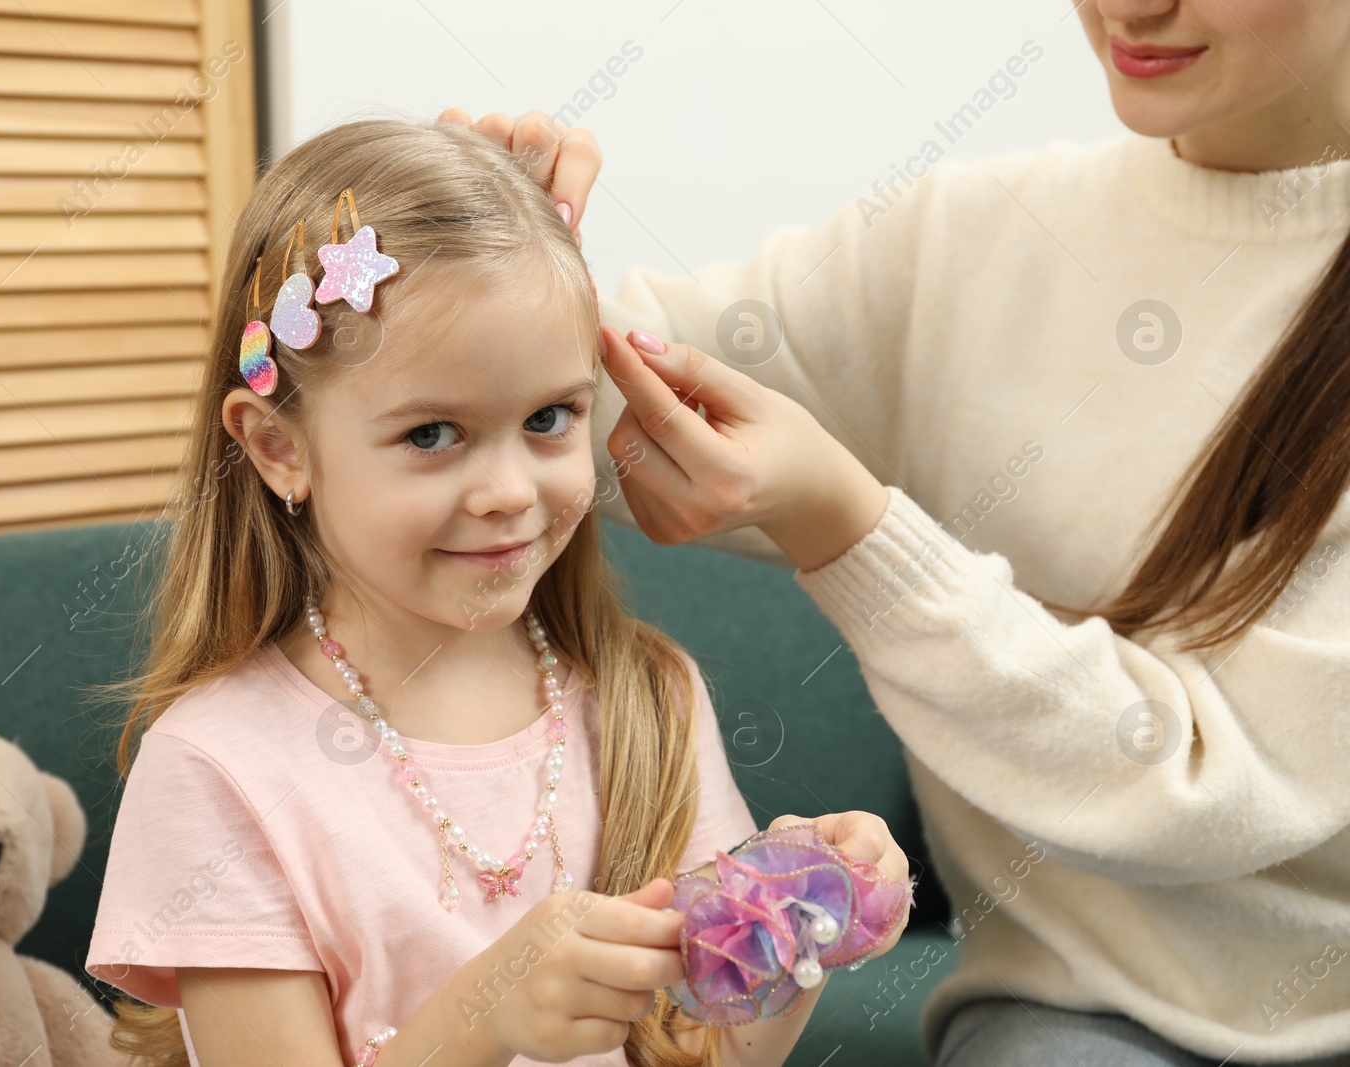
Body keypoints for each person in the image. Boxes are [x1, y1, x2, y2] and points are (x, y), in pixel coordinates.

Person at [439, 0, 1350, 1064]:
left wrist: (846, 526)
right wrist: (468, 259)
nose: (1133, 7)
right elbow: (572, 408)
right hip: (1085, 1023)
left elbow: (1200, 788)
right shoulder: (969, 236)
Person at [82, 118, 911, 1067]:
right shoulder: (218, 768)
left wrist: (804, 919)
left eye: (550, 418)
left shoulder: (649, 694)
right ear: (279, 447)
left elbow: (709, 1052)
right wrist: (483, 1017)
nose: (511, 492)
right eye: (432, 434)